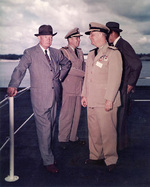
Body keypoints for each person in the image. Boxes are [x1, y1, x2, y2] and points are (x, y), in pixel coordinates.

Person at [7, 25, 71, 173]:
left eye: (51, 37)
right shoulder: (30, 53)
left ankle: (48, 154)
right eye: (46, 37)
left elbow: (67, 64)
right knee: (44, 129)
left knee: (52, 127)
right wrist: (13, 85)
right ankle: (48, 161)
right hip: (40, 97)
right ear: (39, 38)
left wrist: (60, 77)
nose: (49, 39)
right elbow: (20, 69)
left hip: (55, 96)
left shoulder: (56, 52)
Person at [81, 22, 123, 172]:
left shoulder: (113, 53)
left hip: (105, 100)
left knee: (108, 131)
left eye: (92, 34)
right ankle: (96, 156)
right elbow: (87, 77)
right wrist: (84, 95)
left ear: (101, 36)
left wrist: (109, 99)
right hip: (92, 99)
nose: (90, 37)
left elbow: (115, 78)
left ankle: (111, 159)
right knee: (94, 130)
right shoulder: (92, 54)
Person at [106, 22, 142, 151]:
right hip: (119, 87)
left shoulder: (123, 45)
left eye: (107, 34)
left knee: (120, 117)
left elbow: (137, 65)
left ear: (112, 33)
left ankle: (119, 146)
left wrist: (131, 84)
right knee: (119, 116)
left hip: (123, 87)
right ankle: (121, 143)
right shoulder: (116, 45)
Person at [58, 28, 85, 149]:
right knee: (66, 114)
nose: (78, 40)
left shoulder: (79, 52)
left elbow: (84, 66)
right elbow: (69, 69)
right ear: (69, 39)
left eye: (79, 38)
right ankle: (63, 139)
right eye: (76, 38)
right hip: (68, 88)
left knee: (76, 114)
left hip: (79, 88)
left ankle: (73, 137)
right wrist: (86, 74)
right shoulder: (63, 52)